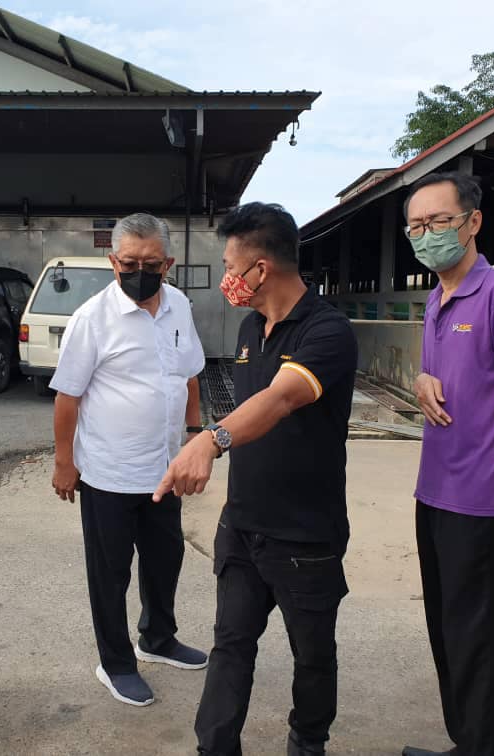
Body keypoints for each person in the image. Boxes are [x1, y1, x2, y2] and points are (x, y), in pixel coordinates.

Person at [155, 202, 357, 756]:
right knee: (231, 645)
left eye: (230, 265)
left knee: (313, 654)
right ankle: (215, 747)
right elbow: (250, 411)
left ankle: (307, 742)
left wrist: (209, 439)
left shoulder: (327, 331)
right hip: (242, 525)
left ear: (261, 269)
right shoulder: (249, 327)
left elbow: (280, 399)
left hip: (305, 535)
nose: (227, 279)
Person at [400, 173, 494, 756]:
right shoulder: (437, 298)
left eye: (438, 222)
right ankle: (467, 743)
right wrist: (421, 378)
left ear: (472, 222)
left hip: (482, 504)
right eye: (415, 226)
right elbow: (446, 374)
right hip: (434, 493)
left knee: (479, 641)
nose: (426, 234)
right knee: (447, 633)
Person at [50, 212, 209, 707]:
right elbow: (67, 397)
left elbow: (189, 376)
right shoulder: (92, 319)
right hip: (108, 472)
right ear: (113, 261)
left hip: (164, 467)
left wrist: (192, 435)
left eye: (151, 262)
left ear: (169, 263)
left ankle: (157, 639)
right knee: (111, 572)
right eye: (130, 262)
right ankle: (115, 662)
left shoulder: (179, 305)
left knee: (166, 560)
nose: (140, 270)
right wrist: (63, 462)